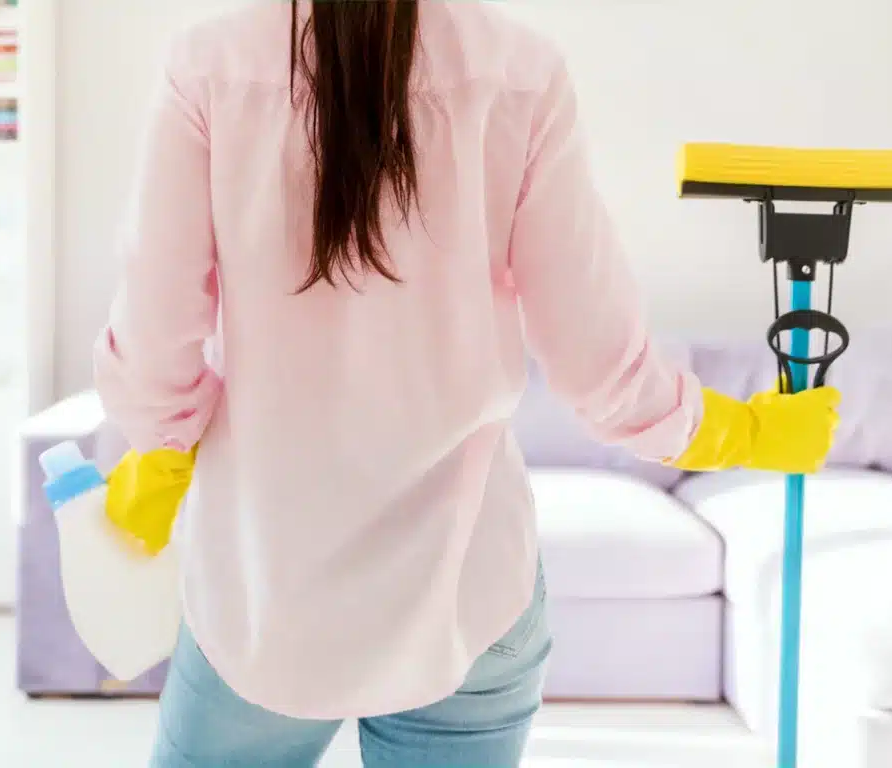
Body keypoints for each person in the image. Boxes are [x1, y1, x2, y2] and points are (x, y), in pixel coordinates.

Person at [93, 2, 841, 766]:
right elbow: (598, 362)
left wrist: (161, 446)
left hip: (264, 598)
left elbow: (156, 342)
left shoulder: (209, 68)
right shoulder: (519, 75)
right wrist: (738, 433)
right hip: (465, 596)